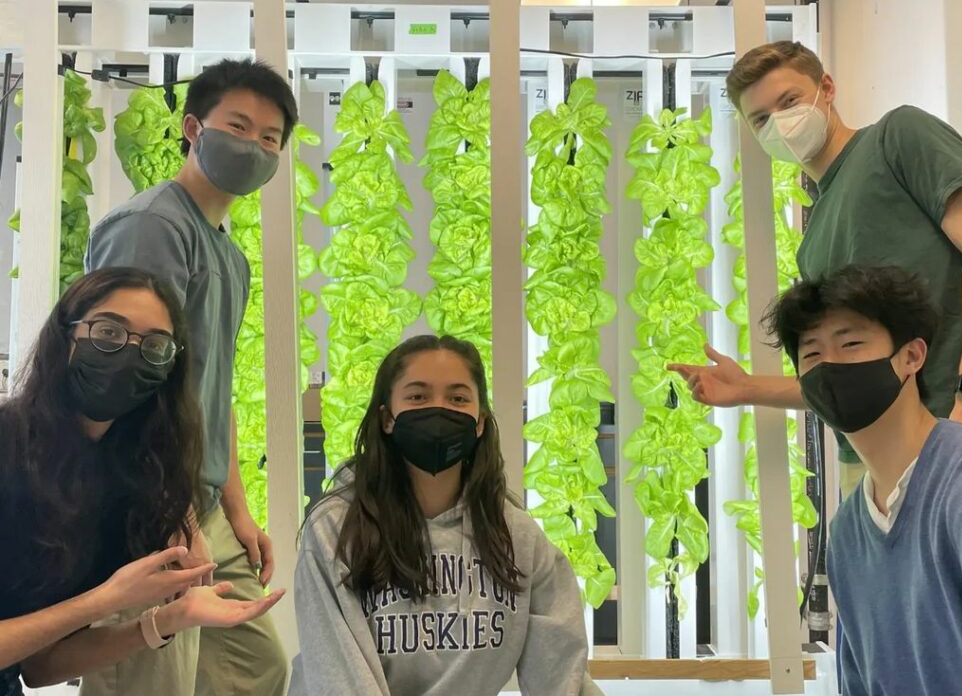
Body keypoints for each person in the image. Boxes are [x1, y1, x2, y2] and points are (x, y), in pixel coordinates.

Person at [673, 40, 962, 497]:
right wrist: (746, 388)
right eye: (761, 119)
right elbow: (847, 370)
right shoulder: (814, 238)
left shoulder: (897, 138)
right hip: (872, 459)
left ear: (827, 88)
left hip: (961, 427)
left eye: (790, 101)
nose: (780, 122)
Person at [82, 59, 298, 696]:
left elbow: (212, 389)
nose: (254, 145)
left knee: (254, 668)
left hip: (198, 501)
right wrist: (166, 509)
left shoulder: (228, 255)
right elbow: (122, 386)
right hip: (141, 502)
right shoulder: (154, 228)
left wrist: (236, 510)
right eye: (239, 125)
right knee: (151, 682)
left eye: (269, 137)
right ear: (193, 127)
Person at [0, 268, 284, 696]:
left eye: (154, 346)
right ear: (66, 336)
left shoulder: (128, 485)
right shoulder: (8, 446)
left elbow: (40, 667)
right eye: (109, 331)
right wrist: (104, 601)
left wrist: (167, 622)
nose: (128, 354)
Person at [289, 335, 603, 696]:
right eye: (418, 396)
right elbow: (338, 680)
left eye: (457, 398)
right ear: (387, 418)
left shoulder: (516, 536)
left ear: (480, 421)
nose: (439, 411)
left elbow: (561, 670)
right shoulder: (335, 529)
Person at [764, 264, 962, 694]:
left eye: (850, 344)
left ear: (911, 356)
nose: (829, 366)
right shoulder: (847, 532)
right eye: (811, 354)